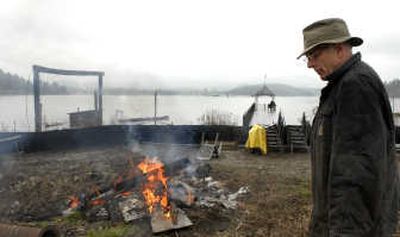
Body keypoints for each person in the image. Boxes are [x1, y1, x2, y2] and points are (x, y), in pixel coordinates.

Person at [298, 18, 399, 236]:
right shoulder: (341, 86)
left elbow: (356, 172)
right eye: (308, 57)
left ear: (339, 49)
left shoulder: (356, 86)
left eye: (314, 56)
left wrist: (345, 231)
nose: (309, 64)